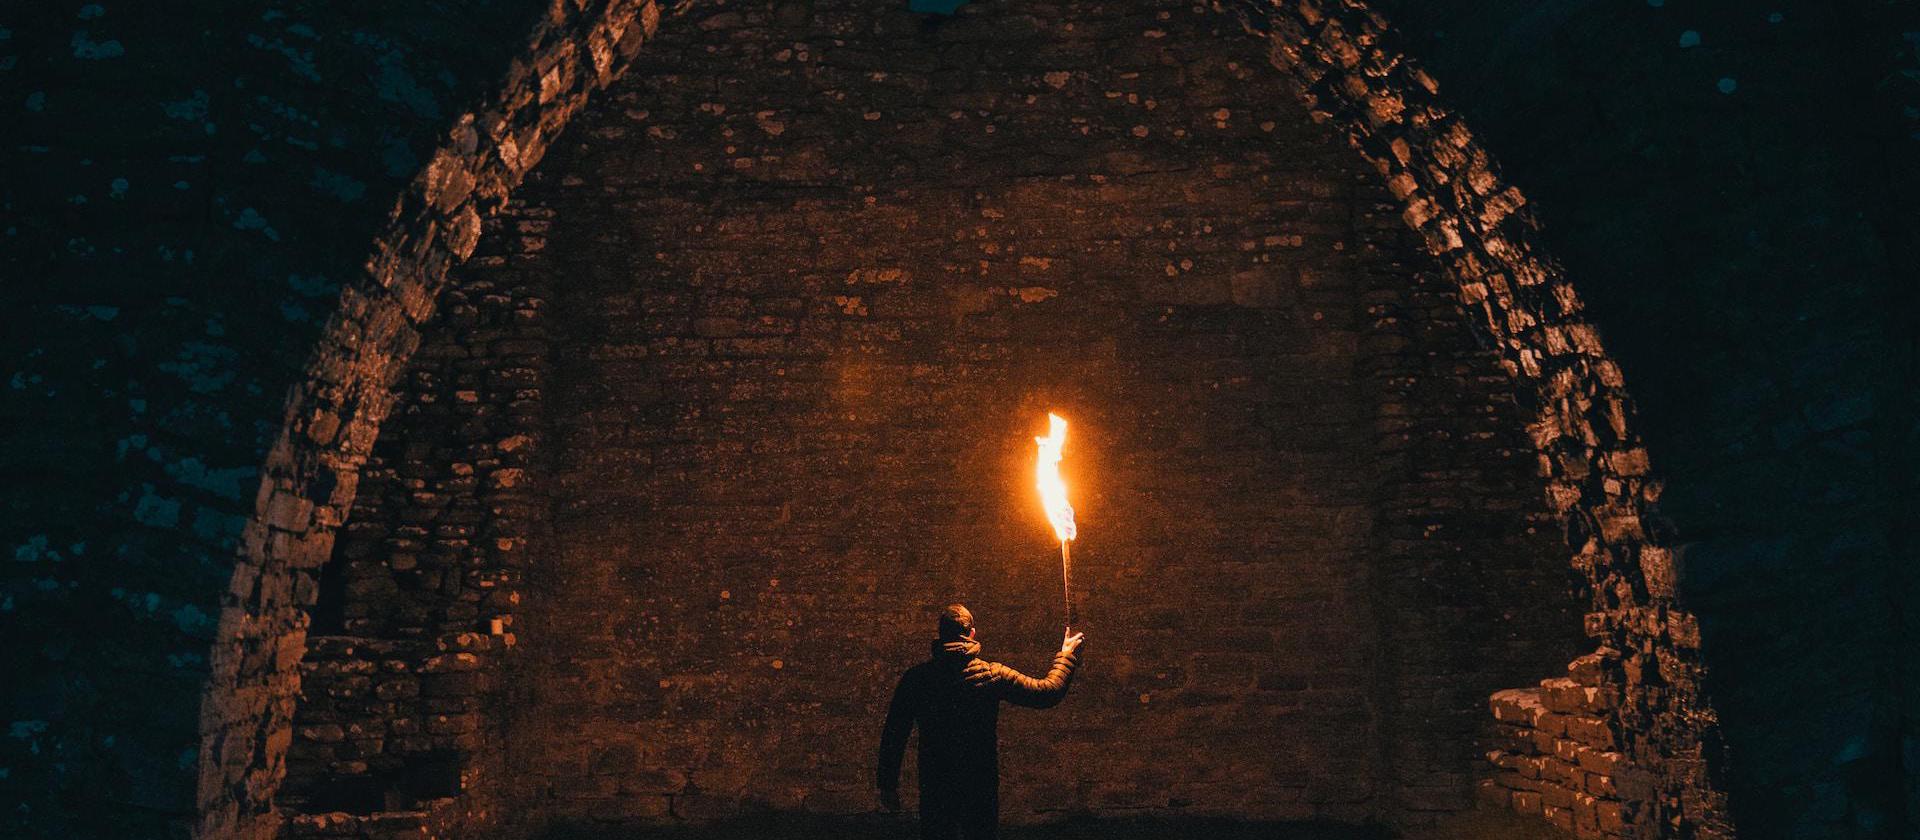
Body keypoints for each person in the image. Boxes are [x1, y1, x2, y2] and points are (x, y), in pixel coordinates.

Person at [876, 604, 1085, 840]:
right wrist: (1067, 656)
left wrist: (887, 785)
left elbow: (895, 733)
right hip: (979, 785)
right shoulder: (992, 675)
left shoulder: (917, 679)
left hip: (936, 785)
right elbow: (1047, 692)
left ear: (940, 635)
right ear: (972, 633)